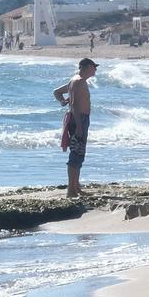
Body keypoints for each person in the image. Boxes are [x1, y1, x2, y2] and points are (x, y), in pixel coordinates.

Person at [53, 57, 97, 197]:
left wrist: (62, 101)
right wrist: (78, 125)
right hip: (78, 119)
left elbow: (57, 92)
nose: (95, 69)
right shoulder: (78, 82)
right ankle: (71, 190)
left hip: (80, 119)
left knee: (79, 153)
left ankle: (76, 187)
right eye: (93, 67)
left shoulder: (76, 80)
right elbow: (75, 105)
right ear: (86, 67)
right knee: (76, 154)